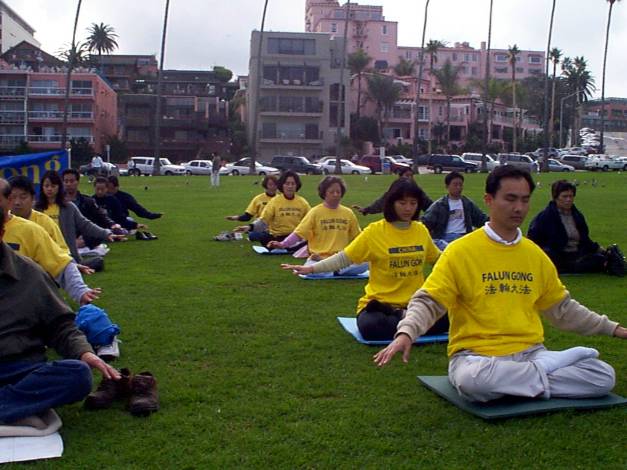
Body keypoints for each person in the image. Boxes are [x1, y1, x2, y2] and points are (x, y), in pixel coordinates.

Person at [373, 166, 625, 403]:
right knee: (473, 381)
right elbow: (429, 300)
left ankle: (528, 375)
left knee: (602, 376)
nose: (518, 208)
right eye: (510, 199)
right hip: (476, 356)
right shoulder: (460, 251)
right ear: (489, 200)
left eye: (524, 200)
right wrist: (407, 332)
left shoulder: (534, 254)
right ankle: (544, 371)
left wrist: (612, 328)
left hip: (530, 352)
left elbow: (563, 309)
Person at [283, 179, 448, 341]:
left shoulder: (420, 231)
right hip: (379, 306)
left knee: (447, 319)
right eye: (402, 203)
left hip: (414, 305)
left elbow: (439, 260)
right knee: (371, 327)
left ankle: (404, 318)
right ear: (391, 203)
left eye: (413, 203)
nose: (408, 208)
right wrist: (311, 269)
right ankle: (405, 320)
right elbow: (344, 258)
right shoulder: (374, 232)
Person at [0, 206, 120, 429]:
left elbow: (60, 325)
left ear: (2, 231)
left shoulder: (29, 273)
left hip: (21, 368)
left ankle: (8, 404)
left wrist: (84, 352)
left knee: (77, 375)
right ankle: (13, 407)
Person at [0, 178, 100, 306]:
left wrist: (80, 291)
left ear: (8, 201)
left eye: (23, 197)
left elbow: (61, 263)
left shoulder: (32, 230)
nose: (18, 202)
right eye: (15, 197)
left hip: (19, 302)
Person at [269, 176, 367, 276]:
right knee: (312, 271)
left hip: (340, 259)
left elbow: (358, 237)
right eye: (332, 192)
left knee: (366, 263)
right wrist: (283, 244)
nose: (336, 195)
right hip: (318, 258)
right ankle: (333, 270)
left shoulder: (348, 213)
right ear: (324, 193)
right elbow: (299, 233)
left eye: (338, 192)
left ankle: (333, 270)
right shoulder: (315, 212)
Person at [528, 179, 625, 276]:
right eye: (564, 196)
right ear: (555, 197)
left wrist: (603, 251)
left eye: (571, 196)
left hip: (576, 254)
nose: (568, 199)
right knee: (550, 256)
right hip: (557, 255)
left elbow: (585, 240)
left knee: (599, 258)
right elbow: (533, 240)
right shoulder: (544, 217)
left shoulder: (577, 216)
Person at [30, 172, 116, 267]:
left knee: (97, 262)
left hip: (65, 252)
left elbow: (85, 224)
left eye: (53, 186)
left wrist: (106, 233)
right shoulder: (35, 208)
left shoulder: (69, 207)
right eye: (46, 186)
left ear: (59, 187)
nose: (49, 189)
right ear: (42, 188)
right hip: (43, 252)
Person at [236, 171, 311, 248]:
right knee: (263, 238)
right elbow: (264, 220)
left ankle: (287, 246)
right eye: (287, 183)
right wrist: (250, 227)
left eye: (293, 184)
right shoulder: (274, 201)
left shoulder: (303, 202)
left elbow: (310, 221)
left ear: (297, 185)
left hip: (294, 237)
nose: (290, 186)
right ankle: (286, 247)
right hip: (277, 236)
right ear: (282, 185)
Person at [421, 171, 488, 250]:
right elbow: (426, 222)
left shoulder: (467, 203)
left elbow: (481, 219)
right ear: (447, 186)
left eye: (460, 185)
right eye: (455, 185)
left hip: (463, 236)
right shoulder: (439, 205)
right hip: (445, 237)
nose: (458, 187)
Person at [352, 167, 433, 216]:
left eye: (411, 176)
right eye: (407, 175)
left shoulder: (417, 191)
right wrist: (366, 210)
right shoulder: (394, 190)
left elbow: (430, 207)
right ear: (400, 177)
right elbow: (381, 203)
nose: (410, 178)